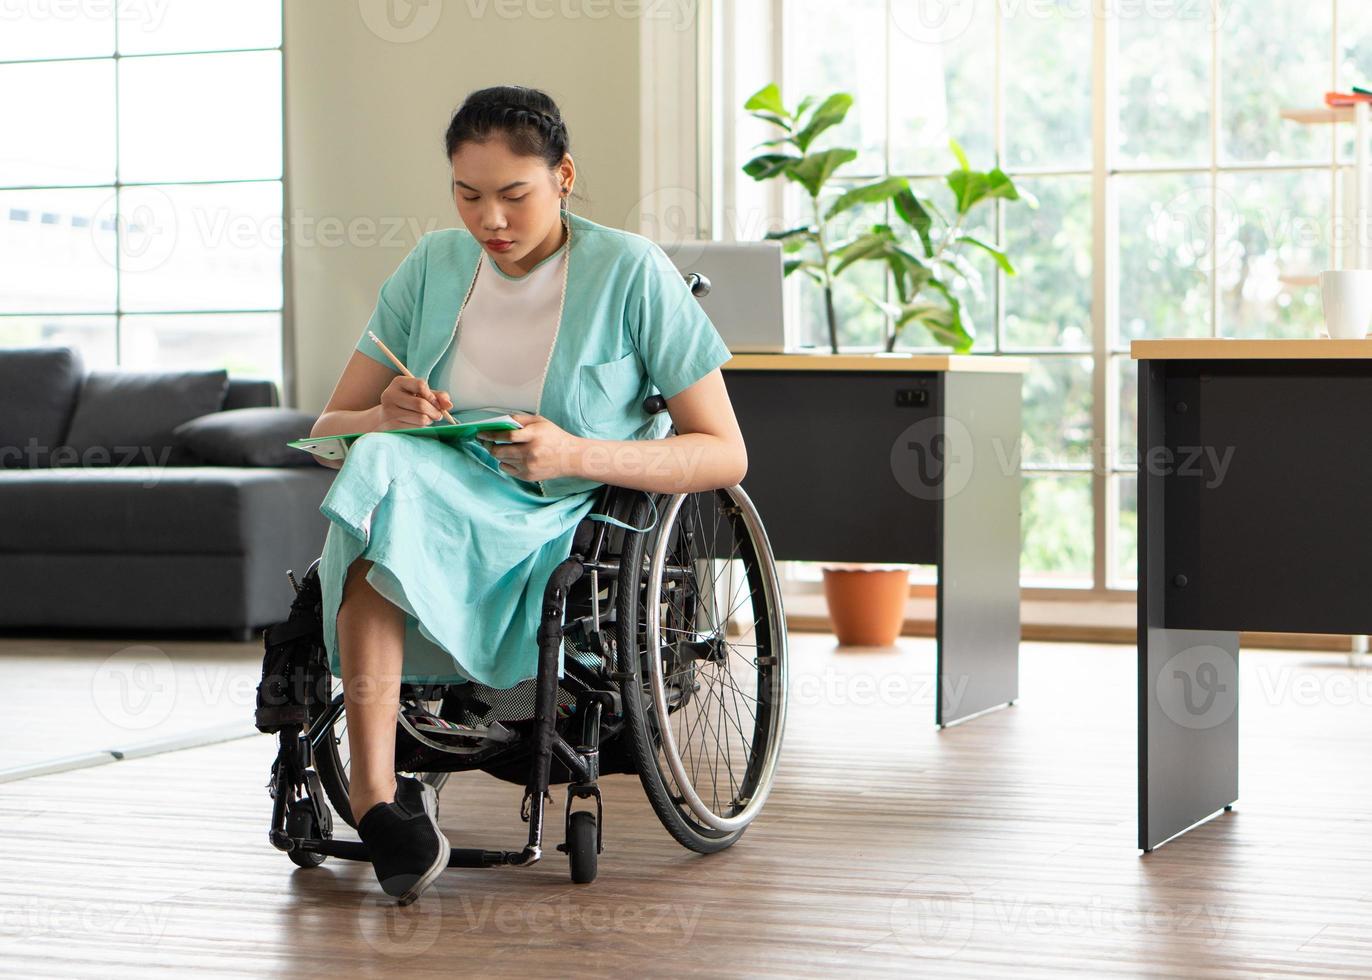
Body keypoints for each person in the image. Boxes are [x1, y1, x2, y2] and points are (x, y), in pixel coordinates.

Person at [307, 84, 747, 904]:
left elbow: (725, 453)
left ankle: (384, 787)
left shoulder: (629, 271)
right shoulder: (432, 266)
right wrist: (381, 412)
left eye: (514, 195)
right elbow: (329, 429)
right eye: (468, 196)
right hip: (433, 482)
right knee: (380, 466)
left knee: (384, 482)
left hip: (558, 504)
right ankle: (375, 801)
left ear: (564, 177)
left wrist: (574, 449)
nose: (490, 220)